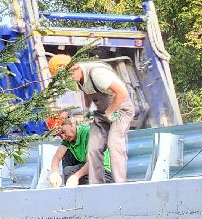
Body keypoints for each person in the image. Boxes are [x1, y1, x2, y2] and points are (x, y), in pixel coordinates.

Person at [47, 53, 136, 184]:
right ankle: (97, 186)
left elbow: (122, 92)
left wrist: (109, 112)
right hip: (102, 113)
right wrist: (89, 110)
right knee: (94, 148)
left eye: (66, 78)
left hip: (120, 110)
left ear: (72, 69)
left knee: (114, 144)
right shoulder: (78, 80)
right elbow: (90, 94)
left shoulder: (97, 74)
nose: (66, 83)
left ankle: (120, 184)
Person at [46, 113, 112, 187]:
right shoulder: (67, 140)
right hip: (87, 172)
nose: (63, 137)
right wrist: (55, 173)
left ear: (71, 124)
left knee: (75, 176)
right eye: (59, 135)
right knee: (67, 170)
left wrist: (76, 176)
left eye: (63, 132)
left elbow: (92, 163)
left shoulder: (89, 134)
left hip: (103, 172)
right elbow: (56, 158)